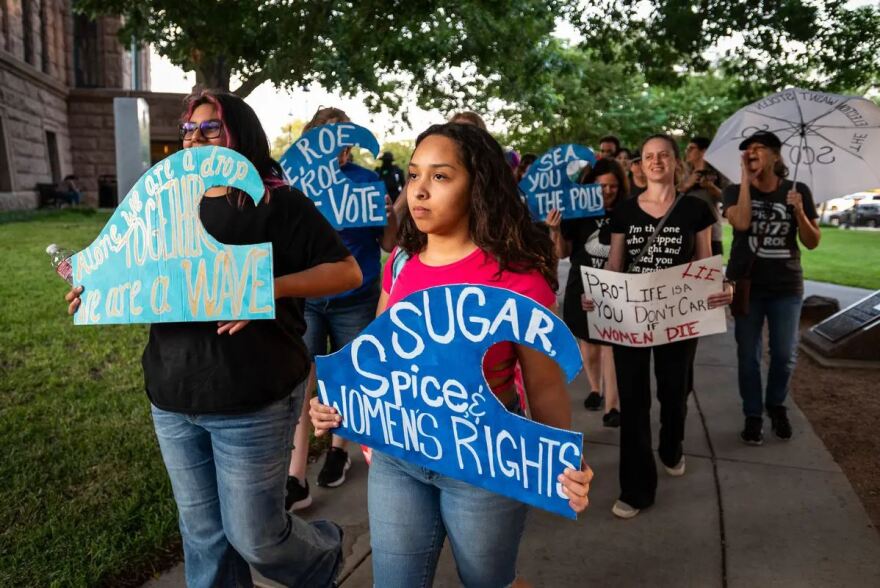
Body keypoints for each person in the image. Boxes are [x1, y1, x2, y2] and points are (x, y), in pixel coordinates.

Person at [65, 90, 361, 587]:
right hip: (173, 394)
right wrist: (92, 293)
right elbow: (132, 272)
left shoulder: (275, 200)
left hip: (254, 396)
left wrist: (268, 286)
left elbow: (347, 272)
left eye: (210, 127)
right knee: (203, 536)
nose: (195, 137)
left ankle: (323, 555)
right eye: (188, 128)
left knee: (257, 537)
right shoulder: (158, 206)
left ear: (239, 134)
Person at [310, 122, 593, 587]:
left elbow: (543, 390)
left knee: (489, 581)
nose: (419, 190)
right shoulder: (401, 262)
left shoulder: (519, 278)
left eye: (440, 177)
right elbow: (374, 355)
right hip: (398, 455)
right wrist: (339, 406)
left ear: (477, 185)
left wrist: (560, 462)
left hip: (483, 459)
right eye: (414, 175)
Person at [583, 134, 732, 519]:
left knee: (674, 390)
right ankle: (636, 489)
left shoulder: (696, 210)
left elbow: (704, 263)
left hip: (680, 318)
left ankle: (671, 444)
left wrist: (723, 289)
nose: (655, 161)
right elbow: (614, 266)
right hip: (632, 319)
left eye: (663, 155)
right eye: (648, 156)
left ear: (676, 162)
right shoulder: (625, 213)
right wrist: (598, 296)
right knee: (633, 401)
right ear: (639, 165)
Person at [286, 107, 398, 511]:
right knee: (303, 382)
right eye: (323, 135)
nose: (331, 144)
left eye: (339, 136)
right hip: (309, 299)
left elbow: (388, 243)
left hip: (358, 296)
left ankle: (338, 450)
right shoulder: (293, 184)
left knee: (348, 380)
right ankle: (295, 476)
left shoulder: (368, 182)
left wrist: (388, 215)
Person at [723, 130, 820, 445]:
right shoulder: (735, 191)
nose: (751, 153)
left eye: (758, 148)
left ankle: (776, 405)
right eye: (746, 150)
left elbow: (812, 242)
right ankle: (752, 414)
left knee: (783, 354)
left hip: (786, 287)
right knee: (747, 355)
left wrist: (799, 211)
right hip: (747, 286)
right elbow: (740, 223)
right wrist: (746, 180)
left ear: (776, 155)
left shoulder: (797, 190)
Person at [546, 158, 625, 426]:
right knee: (589, 346)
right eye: (602, 186)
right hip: (582, 285)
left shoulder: (626, 210)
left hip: (616, 287)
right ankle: (595, 388)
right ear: (589, 186)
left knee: (611, 345)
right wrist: (555, 230)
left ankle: (613, 406)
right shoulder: (576, 213)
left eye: (613, 186)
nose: (608, 191)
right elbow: (563, 253)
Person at [681, 136, 725, 256]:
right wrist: (686, 185)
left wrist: (711, 188)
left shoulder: (717, 174)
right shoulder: (682, 174)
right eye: (687, 149)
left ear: (704, 151)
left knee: (712, 272)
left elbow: (729, 200)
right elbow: (669, 198)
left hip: (712, 233)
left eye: (691, 148)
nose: (687, 152)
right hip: (686, 232)